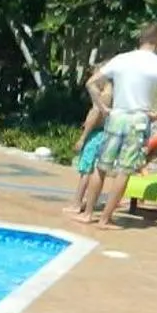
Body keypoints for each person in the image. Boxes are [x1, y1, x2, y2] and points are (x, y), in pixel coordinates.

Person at [81, 23, 157, 228]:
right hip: (138, 120)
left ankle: (88, 213)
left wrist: (102, 108)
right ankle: (105, 219)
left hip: (117, 115)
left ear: (140, 39)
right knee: (124, 170)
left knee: (102, 166)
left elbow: (91, 83)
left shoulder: (122, 59)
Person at [65, 78, 113, 216]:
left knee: (85, 169)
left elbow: (94, 117)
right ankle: (84, 201)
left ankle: (77, 203)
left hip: (94, 135)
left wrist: (82, 138)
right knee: (93, 170)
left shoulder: (102, 98)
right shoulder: (112, 96)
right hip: (104, 134)